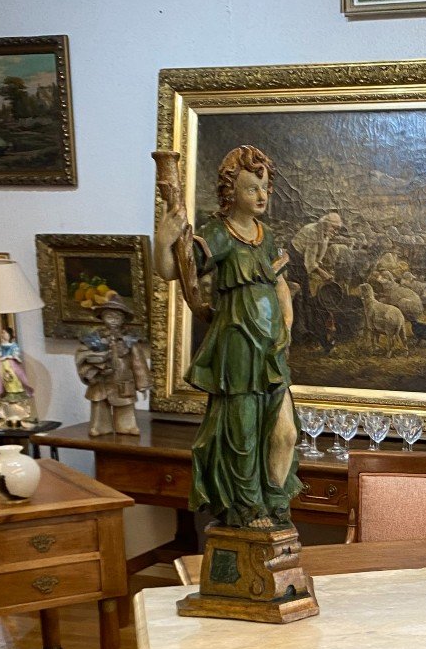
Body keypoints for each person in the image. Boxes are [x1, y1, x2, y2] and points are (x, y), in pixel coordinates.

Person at [154, 144, 301, 530]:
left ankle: (274, 497)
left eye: (265, 187)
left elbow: (281, 284)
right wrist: (163, 238)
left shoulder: (266, 236)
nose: (262, 195)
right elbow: (173, 271)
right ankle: (249, 507)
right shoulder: (218, 233)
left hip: (271, 349)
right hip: (237, 348)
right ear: (230, 191)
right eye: (252, 188)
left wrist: (285, 323)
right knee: (244, 432)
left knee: (284, 432)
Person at [75, 293, 151, 436]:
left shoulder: (129, 340)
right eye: (109, 317)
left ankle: (127, 426)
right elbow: (82, 355)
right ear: (103, 317)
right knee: (99, 404)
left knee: (125, 405)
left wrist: (143, 385)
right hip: (101, 379)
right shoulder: (94, 339)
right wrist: (91, 366)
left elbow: (138, 363)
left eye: (117, 317)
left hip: (122, 380)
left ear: (123, 320)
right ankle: (100, 427)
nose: (113, 321)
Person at [286, 210, 344, 340]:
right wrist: (322, 273)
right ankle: (299, 332)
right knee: (301, 295)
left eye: (337, 229)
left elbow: (317, 258)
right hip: (294, 259)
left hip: (304, 261)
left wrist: (322, 269)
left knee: (307, 295)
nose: (335, 231)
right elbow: (309, 263)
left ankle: (307, 330)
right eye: (334, 228)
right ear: (326, 224)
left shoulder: (326, 234)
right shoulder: (313, 233)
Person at [0, 326, 31, 398]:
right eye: (2, 333)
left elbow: (16, 356)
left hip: (12, 366)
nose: (3, 334)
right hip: (2, 366)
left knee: (14, 378)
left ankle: (16, 391)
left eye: (5, 333)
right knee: (4, 379)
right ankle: (7, 392)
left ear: (9, 334)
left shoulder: (14, 346)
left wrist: (8, 357)